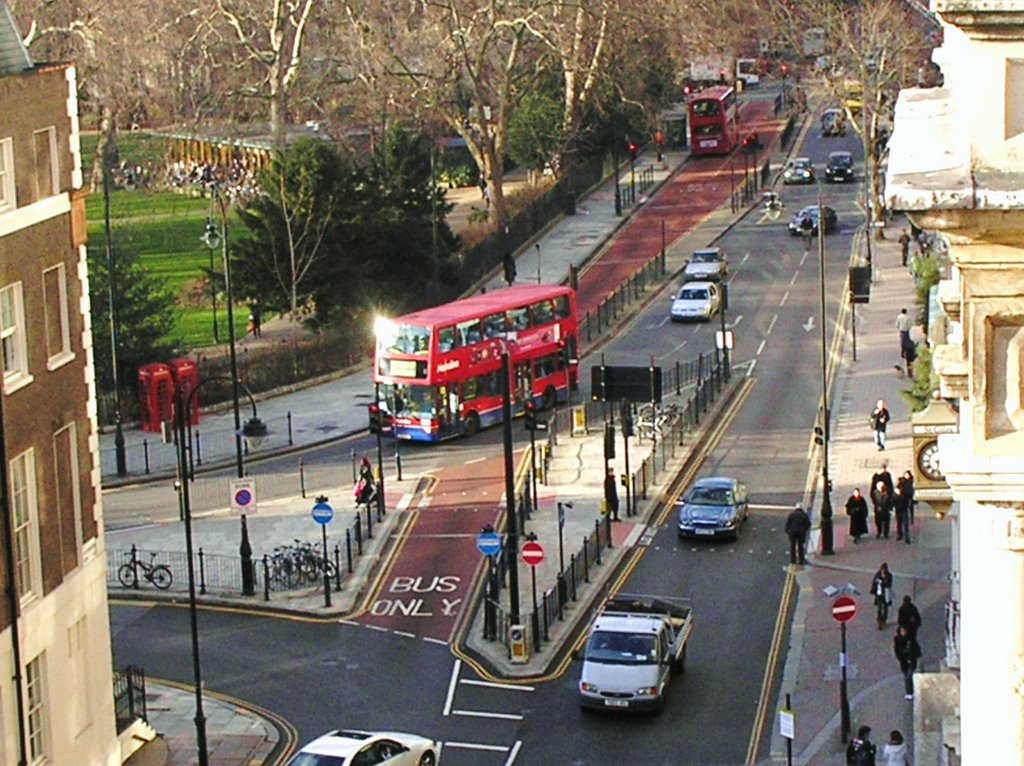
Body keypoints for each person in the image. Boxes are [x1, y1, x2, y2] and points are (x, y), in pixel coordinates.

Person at [894, 624, 922, 699]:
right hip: (904, 661)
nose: (903, 633)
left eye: (904, 631)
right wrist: (900, 656)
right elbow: (896, 649)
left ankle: (909, 692)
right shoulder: (897, 639)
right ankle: (911, 690)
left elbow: (916, 647)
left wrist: (916, 655)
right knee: (906, 675)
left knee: (909, 676)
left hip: (911, 659)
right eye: (901, 631)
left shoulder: (911, 639)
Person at [872, 562, 894, 629]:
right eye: (882, 569)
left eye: (884, 569)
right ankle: (879, 621)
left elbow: (889, 585)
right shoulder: (878, 574)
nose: (883, 571)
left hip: (885, 594)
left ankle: (884, 620)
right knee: (879, 608)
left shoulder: (889, 575)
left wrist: (885, 580)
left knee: (885, 608)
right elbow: (874, 582)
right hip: (879, 593)